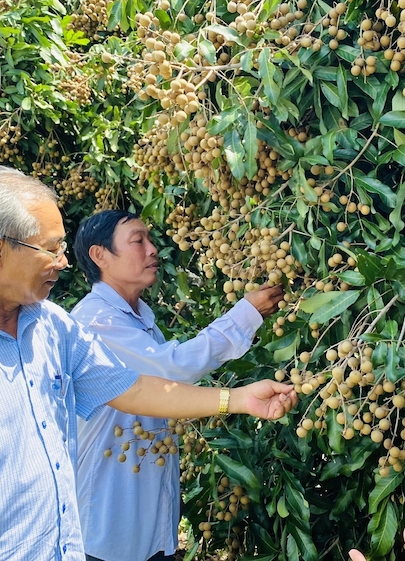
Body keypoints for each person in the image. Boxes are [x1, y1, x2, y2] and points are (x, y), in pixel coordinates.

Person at [0, 166, 297, 561]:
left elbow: (131, 389)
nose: (64, 262)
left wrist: (236, 399)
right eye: (51, 249)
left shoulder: (50, 325)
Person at [70, 210, 284, 561]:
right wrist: (246, 313)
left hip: (152, 527)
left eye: (150, 240)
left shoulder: (139, 319)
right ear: (100, 256)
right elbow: (173, 371)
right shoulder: (96, 322)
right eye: (138, 241)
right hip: (106, 534)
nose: (153, 249)